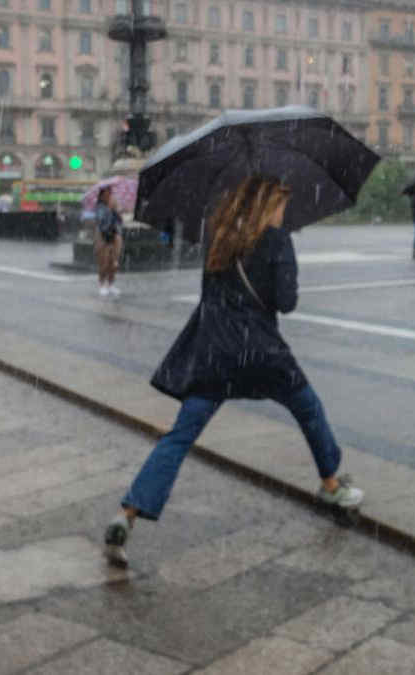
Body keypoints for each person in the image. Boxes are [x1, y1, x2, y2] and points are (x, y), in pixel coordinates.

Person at [103, 175, 364, 567]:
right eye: (280, 205)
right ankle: (330, 484)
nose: (284, 212)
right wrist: (284, 266)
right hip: (262, 353)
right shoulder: (277, 240)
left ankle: (128, 512)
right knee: (307, 408)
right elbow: (286, 302)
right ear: (266, 206)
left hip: (215, 354)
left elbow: (212, 297)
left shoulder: (218, 237)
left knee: (179, 436)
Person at [95, 187, 124, 297]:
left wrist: (116, 211)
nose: (109, 196)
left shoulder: (114, 206)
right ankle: (102, 285)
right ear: (102, 196)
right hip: (103, 236)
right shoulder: (100, 207)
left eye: (110, 193)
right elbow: (102, 222)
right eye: (107, 194)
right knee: (104, 263)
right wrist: (110, 209)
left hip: (115, 235)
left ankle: (111, 284)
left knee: (114, 263)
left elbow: (120, 221)